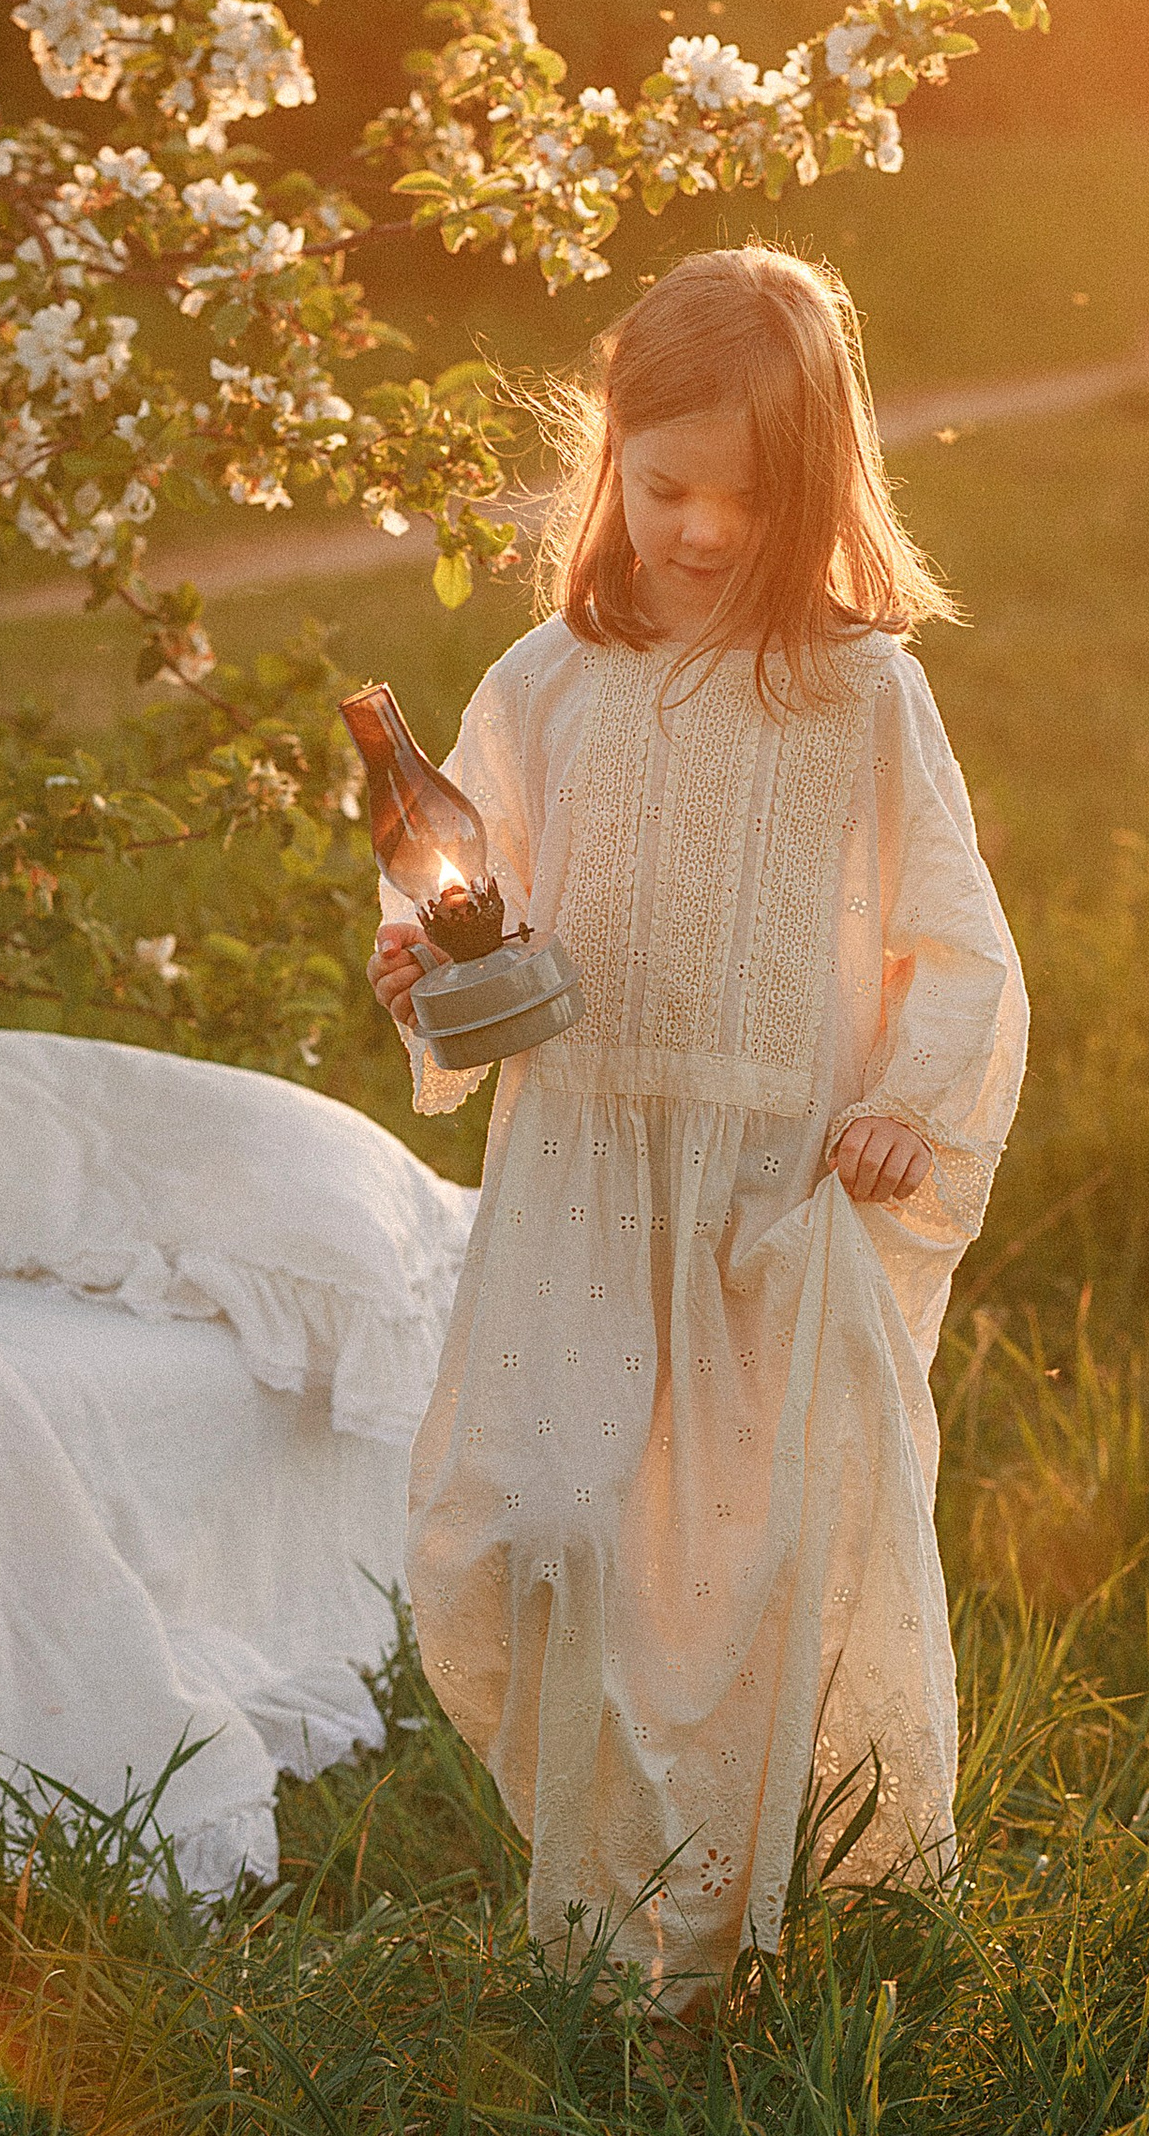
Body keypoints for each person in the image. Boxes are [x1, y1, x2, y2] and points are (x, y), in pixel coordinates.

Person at [371, 242, 1027, 2014]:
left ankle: (685, 1958)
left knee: (734, 1571)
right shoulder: (541, 686)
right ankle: (610, 1887)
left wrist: (903, 1106)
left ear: (815, 493)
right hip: (582, 1173)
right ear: (610, 461)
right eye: (667, 488)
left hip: (765, 1189)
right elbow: (459, 901)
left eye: (750, 498)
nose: (707, 533)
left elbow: (956, 944)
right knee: (535, 1535)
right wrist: (418, 972)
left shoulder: (859, 696)